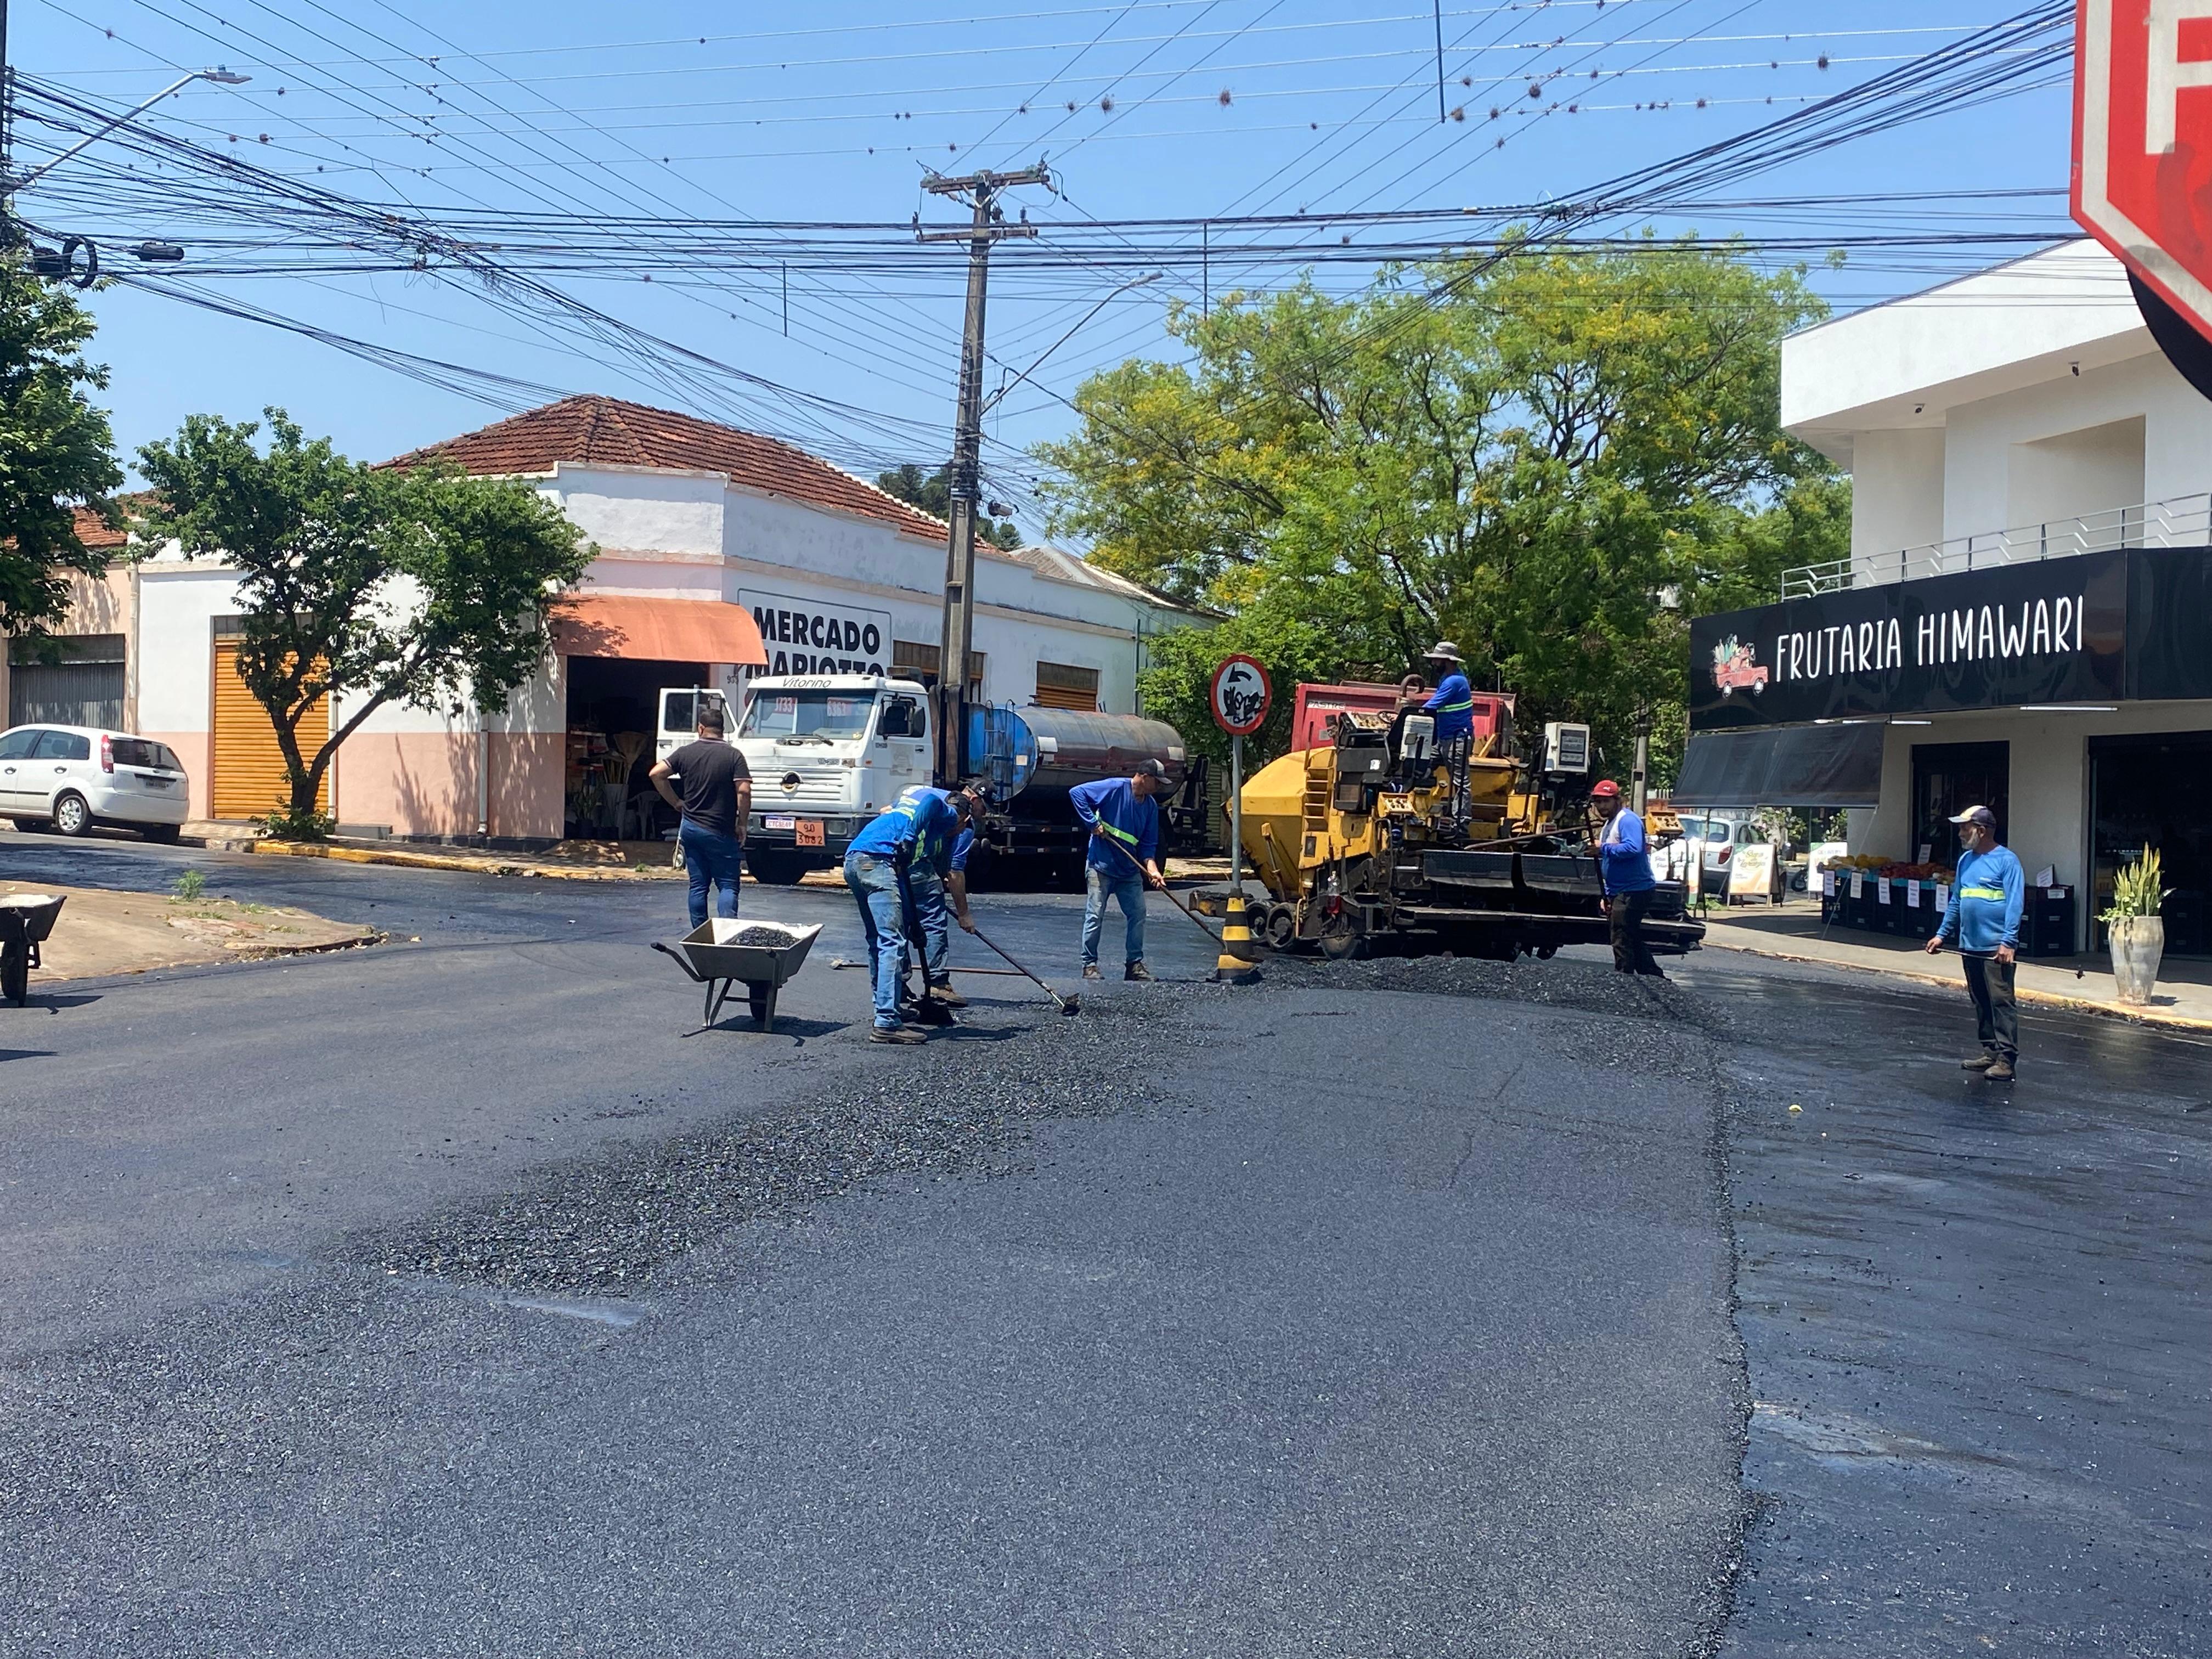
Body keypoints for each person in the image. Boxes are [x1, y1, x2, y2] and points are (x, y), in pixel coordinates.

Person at [843, 784, 978, 1044]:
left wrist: (913, 922)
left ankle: (887, 1007)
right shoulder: (950, 815)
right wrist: (908, 837)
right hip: (878, 861)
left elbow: (908, 874)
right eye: (964, 826)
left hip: (855, 861)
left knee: (878, 941)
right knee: (892, 942)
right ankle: (886, 1022)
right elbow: (931, 800)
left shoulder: (914, 822)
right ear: (965, 818)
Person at [1923, 804, 2025, 1081]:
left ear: (1981, 831)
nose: (1959, 833)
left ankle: (2006, 1059)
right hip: (1970, 946)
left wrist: (2008, 942)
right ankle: (1990, 1051)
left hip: (1995, 949)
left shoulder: (2007, 861)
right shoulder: (1965, 861)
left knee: (2001, 1001)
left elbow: (2015, 904)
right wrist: (1942, 934)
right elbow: (1957, 901)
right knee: (1980, 1000)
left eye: (1964, 828)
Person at [648, 703, 751, 930]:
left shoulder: (686, 752)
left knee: (698, 886)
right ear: (722, 730)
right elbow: (744, 791)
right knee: (727, 885)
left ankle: (701, 937)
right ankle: (727, 935)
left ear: (700, 728)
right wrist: (742, 823)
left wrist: (676, 802)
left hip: (691, 829)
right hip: (720, 831)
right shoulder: (734, 756)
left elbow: (656, 774)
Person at [1070, 759, 1170, 981]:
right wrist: (1092, 824)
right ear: (1145, 777)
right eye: (1158, 781)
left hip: (1128, 870)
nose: (1160, 787)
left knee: (1138, 914)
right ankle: (1089, 965)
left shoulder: (1151, 806)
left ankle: (1134, 965)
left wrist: (1153, 871)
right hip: (1101, 866)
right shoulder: (1114, 788)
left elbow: (1148, 845)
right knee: (1095, 915)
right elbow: (1076, 793)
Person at [891, 783, 984, 1011]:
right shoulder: (955, 814)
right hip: (914, 864)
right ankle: (938, 983)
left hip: (892, 863)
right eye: (984, 807)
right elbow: (955, 871)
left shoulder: (917, 793)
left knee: (899, 924)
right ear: (972, 802)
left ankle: (898, 986)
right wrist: (964, 915)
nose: (985, 814)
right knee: (932, 920)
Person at [1592, 778, 1663, 978]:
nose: (1601, 806)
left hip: (1635, 889)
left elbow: (1633, 848)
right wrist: (1607, 894)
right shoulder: (1610, 824)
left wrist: (1602, 848)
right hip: (1621, 889)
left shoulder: (1627, 820)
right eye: (1598, 802)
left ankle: (1624, 978)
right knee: (1629, 934)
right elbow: (1611, 862)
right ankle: (1653, 976)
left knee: (1621, 934)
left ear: (1617, 800)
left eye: (1606, 801)